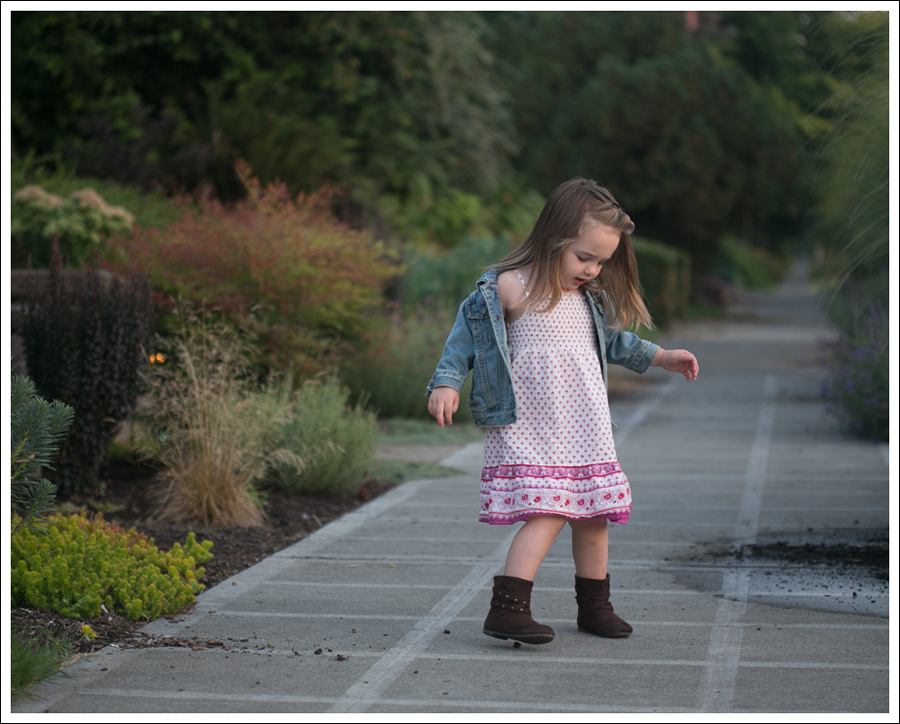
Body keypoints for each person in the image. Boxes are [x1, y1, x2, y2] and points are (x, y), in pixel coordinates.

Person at [426, 178, 698, 645]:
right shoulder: (511, 289)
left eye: (601, 261)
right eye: (583, 257)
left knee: (594, 515)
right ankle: (508, 609)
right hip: (533, 427)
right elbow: (465, 339)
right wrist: (447, 382)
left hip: (585, 428)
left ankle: (595, 607)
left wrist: (661, 356)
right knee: (549, 511)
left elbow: (614, 342)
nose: (592, 269)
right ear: (553, 238)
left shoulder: (586, 301)